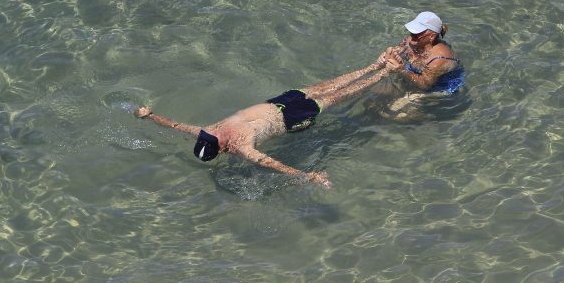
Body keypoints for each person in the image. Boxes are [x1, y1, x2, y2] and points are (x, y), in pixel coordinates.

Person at [134, 60, 389, 188]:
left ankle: (376, 64)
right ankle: (384, 73)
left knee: (325, 86)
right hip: (291, 119)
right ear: (220, 148)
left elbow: (176, 126)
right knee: (338, 96)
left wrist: (150, 116)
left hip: (278, 102)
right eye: (214, 138)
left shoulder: (209, 131)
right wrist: (309, 176)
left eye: (208, 134)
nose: (213, 132)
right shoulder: (243, 148)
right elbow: (271, 164)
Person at [381, 11, 464, 94]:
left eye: (415, 34)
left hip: (440, 87)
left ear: (432, 36)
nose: (410, 37)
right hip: (413, 74)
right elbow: (398, 50)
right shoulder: (413, 40)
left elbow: (424, 85)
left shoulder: (439, 58)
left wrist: (402, 70)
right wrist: (385, 58)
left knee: (396, 102)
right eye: (411, 32)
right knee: (381, 90)